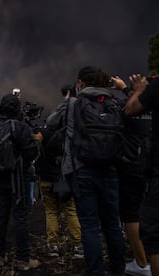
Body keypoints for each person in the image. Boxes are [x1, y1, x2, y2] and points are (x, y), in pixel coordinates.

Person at [66, 66, 126, 275]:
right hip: (110, 170)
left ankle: (96, 271)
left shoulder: (75, 103)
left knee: (90, 226)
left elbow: (70, 138)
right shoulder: (114, 102)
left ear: (81, 82)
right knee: (112, 224)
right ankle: (119, 269)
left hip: (84, 170)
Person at [0, 94, 40, 271]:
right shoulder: (20, 128)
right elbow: (32, 154)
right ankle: (23, 259)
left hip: (0, 179)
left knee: (2, 217)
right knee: (20, 218)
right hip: (19, 180)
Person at [39, 85, 82, 258]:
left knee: (51, 212)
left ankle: (53, 247)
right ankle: (78, 246)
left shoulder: (43, 134)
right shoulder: (69, 135)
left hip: (46, 179)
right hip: (64, 179)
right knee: (71, 211)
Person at [124, 74, 159, 276]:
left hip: (153, 173)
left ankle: (142, 263)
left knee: (154, 239)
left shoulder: (155, 88)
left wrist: (138, 90)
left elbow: (130, 109)